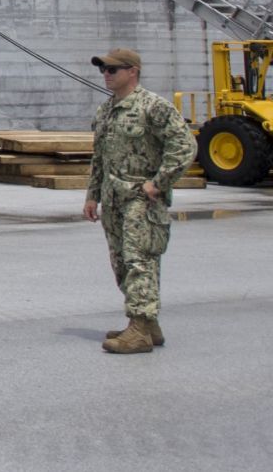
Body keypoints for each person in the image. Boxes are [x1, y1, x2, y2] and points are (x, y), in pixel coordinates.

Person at [83, 48, 195, 355]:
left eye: (113, 69)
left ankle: (140, 330)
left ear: (133, 71)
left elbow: (184, 145)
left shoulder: (153, 106)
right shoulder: (106, 110)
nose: (106, 73)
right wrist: (92, 195)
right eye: (103, 69)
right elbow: (99, 158)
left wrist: (158, 184)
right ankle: (146, 323)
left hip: (140, 201)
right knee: (120, 263)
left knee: (138, 260)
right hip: (113, 199)